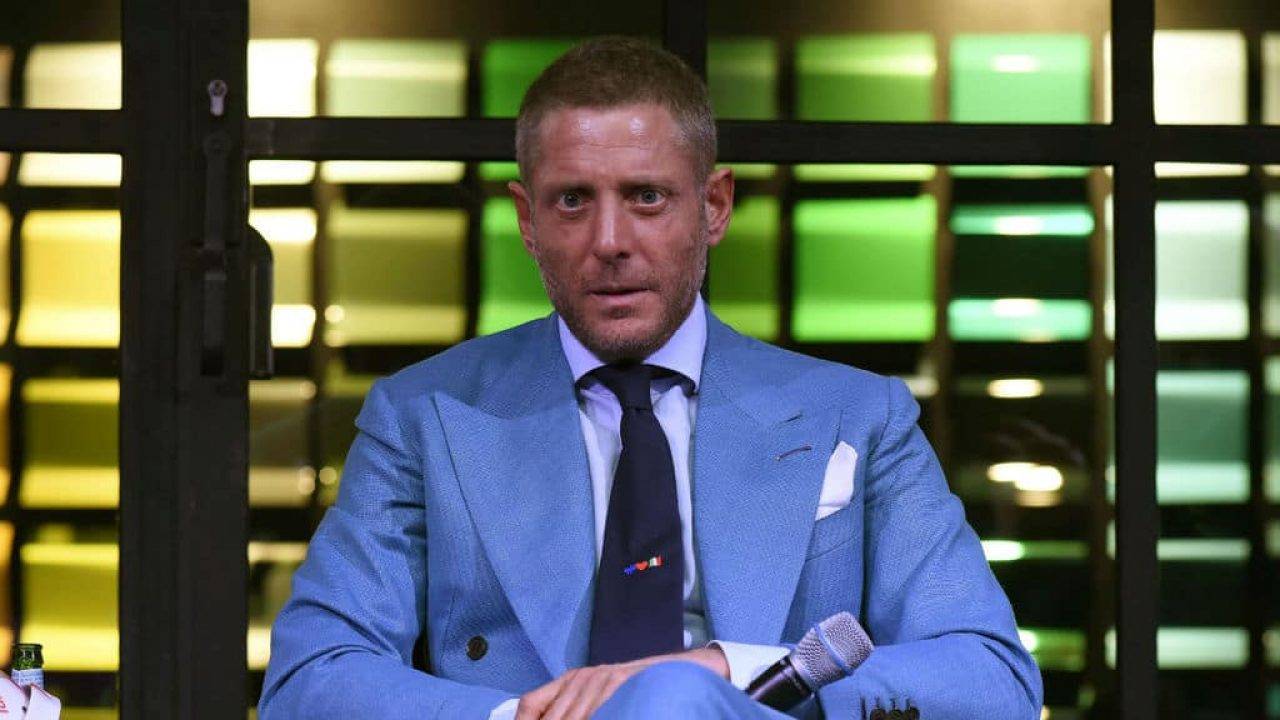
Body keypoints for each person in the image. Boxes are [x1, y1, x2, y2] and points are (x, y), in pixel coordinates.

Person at [258, 36, 1043, 720]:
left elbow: (991, 679)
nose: (610, 240)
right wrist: (528, 717)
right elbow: (309, 679)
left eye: (647, 197)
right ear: (527, 220)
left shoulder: (857, 415)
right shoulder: (424, 417)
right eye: (573, 201)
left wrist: (728, 674)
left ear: (715, 206)